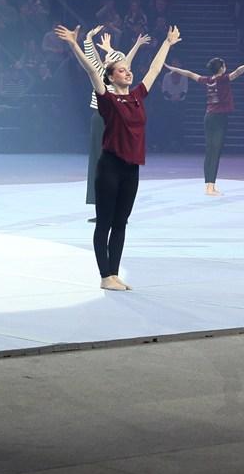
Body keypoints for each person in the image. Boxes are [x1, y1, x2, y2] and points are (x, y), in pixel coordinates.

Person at [56, 22, 181, 290]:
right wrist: (74, 44)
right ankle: (105, 276)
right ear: (111, 78)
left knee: (121, 223)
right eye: (122, 70)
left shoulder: (136, 97)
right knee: (104, 223)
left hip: (131, 169)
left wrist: (167, 43)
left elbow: (154, 69)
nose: (128, 71)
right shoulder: (108, 100)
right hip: (110, 167)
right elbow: (91, 70)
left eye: (128, 69)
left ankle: (114, 274)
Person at [163, 52, 244, 194]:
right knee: (215, 152)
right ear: (221, 68)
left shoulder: (207, 80)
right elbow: (238, 72)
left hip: (209, 117)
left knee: (210, 151)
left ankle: (209, 185)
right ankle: (210, 187)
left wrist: (174, 68)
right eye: (224, 65)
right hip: (219, 118)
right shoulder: (223, 79)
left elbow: (189, 73)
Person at [82, 28, 150, 216]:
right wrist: (91, 41)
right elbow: (93, 59)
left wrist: (93, 41)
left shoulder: (112, 74)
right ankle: (104, 207)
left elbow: (122, 61)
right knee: (103, 162)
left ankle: (110, 207)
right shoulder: (102, 72)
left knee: (107, 162)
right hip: (103, 118)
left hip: (109, 119)